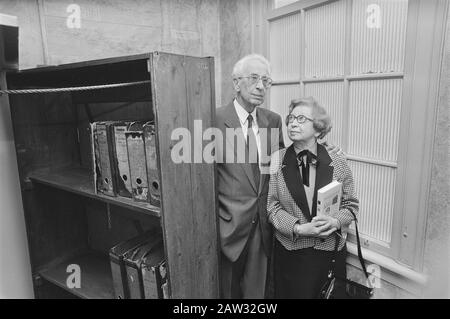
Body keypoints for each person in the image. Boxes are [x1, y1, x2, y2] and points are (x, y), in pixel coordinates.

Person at [267, 97, 359, 299]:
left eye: (301, 119)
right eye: (291, 118)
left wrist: (335, 221)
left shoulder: (338, 161)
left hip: (329, 254)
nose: (292, 123)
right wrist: (298, 228)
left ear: (318, 130)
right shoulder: (276, 160)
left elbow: (351, 204)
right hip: (292, 255)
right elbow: (272, 207)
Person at [215, 54, 284, 298]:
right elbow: (205, 181)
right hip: (228, 227)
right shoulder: (213, 120)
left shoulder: (272, 121)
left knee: (257, 295)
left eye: (266, 81)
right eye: (254, 79)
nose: (260, 86)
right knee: (226, 294)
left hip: (263, 228)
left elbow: (279, 169)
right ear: (236, 83)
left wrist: (319, 150)